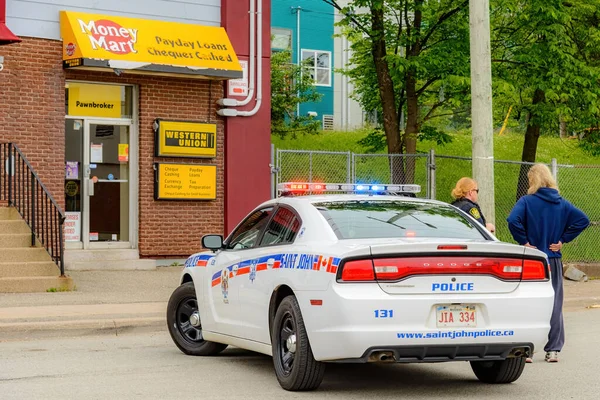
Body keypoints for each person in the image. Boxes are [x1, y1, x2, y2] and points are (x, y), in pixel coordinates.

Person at [507, 163, 589, 364]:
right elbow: (583, 220)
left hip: (533, 261)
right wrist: (562, 240)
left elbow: (512, 220)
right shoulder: (561, 203)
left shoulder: (527, 201)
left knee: (528, 303)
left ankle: (526, 350)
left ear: (533, 180)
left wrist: (525, 242)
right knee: (555, 304)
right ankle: (553, 350)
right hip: (553, 259)